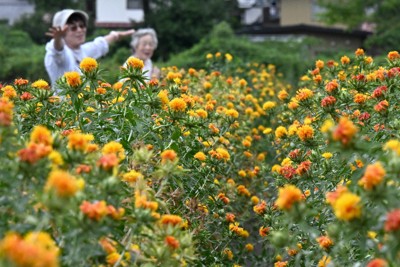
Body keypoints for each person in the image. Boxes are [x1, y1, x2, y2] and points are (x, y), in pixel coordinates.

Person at [44, 9, 135, 86]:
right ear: (61, 32)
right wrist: (58, 39)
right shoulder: (58, 54)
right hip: (64, 106)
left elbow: (99, 44)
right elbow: (57, 51)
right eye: (73, 28)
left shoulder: (83, 50)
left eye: (82, 25)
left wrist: (116, 35)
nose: (80, 30)